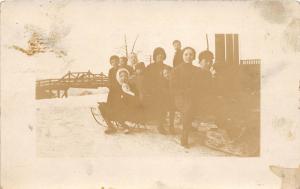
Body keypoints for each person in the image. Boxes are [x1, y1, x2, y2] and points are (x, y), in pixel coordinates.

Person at [170, 47, 200, 147]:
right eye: (186, 54)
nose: (188, 56)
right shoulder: (176, 70)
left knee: (194, 104)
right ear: (182, 56)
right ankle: (184, 137)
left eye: (191, 54)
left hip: (193, 95)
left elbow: (198, 86)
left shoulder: (197, 70)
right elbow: (173, 88)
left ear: (194, 56)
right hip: (180, 97)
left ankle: (188, 126)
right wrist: (184, 92)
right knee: (188, 107)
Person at [100, 68, 142, 134]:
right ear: (118, 77)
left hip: (128, 108)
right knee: (102, 106)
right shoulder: (114, 87)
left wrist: (128, 93)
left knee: (121, 106)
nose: (123, 78)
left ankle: (124, 126)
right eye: (121, 76)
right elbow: (110, 100)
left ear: (128, 77)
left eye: (125, 76)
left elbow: (136, 99)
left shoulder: (132, 86)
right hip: (115, 108)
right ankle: (110, 126)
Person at [142, 47, 173, 134]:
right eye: (158, 55)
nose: (160, 57)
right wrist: (148, 91)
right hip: (152, 91)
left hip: (165, 91)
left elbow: (171, 80)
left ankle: (169, 125)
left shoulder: (167, 67)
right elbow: (145, 81)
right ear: (155, 56)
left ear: (164, 57)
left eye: (162, 55)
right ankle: (160, 124)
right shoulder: (149, 67)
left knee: (166, 99)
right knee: (160, 100)